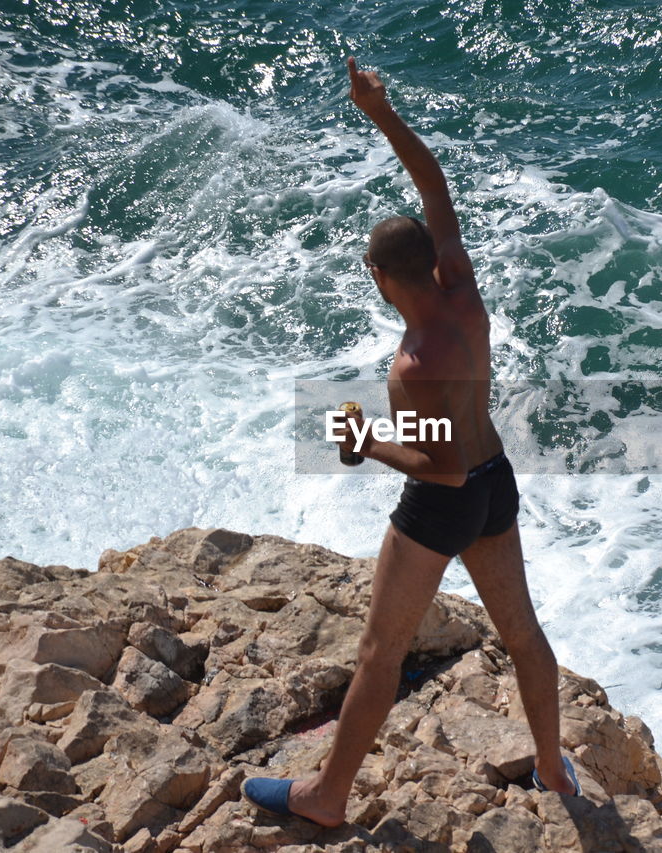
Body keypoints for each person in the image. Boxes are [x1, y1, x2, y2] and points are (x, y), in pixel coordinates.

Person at [240, 57, 580, 827]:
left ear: (378, 274)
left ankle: (327, 795)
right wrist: (381, 114)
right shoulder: (462, 289)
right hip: (498, 477)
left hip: (445, 501)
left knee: (379, 654)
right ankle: (553, 770)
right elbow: (434, 186)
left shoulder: (416, 363)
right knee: (524, 635)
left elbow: (441, 465)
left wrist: (367, 442)